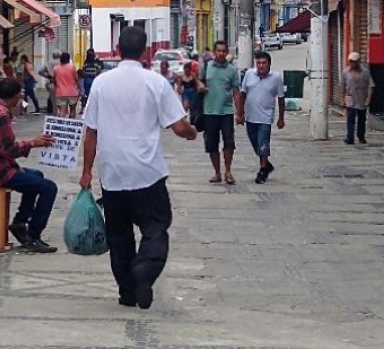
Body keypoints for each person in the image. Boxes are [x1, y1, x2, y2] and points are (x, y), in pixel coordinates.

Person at [79, 26, 198, 310]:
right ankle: (145, 270)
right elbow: (178, 126)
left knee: (119, 237)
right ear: (146, 52)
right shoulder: (155, 83)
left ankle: (127, 293)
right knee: (155, 228)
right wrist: (192, 132)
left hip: (113, 174)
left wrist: (86, 172)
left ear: (118, 49)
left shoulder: (101, 83)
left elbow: (91, 132)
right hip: (147, 173)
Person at [0, 78, 57, 253]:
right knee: (49, 188)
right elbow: (8, 150)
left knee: (37, 176)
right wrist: (33, 143)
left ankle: (19, 222)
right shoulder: (1, 115)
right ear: (15, 96)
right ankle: (33, 236)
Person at [236, 52, 285, 184]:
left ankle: (263, 170)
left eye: (264, 63)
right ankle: (267, 164)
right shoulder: (249, 75)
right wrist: (240, 113)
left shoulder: (276, 78)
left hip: (266, 118)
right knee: (256, 144)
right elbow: (242, 95)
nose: (261, 66)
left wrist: (281, 118)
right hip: (251, 117)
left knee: (263, 143)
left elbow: (281, 98)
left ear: (269, 64)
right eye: (258, 63)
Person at [198, 41, 241, 185]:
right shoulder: (207, 67)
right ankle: (217, 172)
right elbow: (198, 82)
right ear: (214, 52)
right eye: (219, 51)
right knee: (211, 144)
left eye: (224, 51)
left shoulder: (232, 70)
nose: (221, 53)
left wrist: (240, 112)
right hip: (209, 111)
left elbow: (236, 92)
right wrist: (201, 86)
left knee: (229, 143)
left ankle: (228, 171)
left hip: (226, 112)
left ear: (227, 52)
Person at [341, 52, 375, 145]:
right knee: (350, 119)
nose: (352, 63)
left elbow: (370, 86)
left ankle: (361, 137)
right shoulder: (345, 72)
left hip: (361, 99)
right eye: (351, 61)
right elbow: (342, 87)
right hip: (350, 98)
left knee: (361, 119)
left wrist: (368, 98)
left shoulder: (365, 72)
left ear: (358, 61)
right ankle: (350, 137)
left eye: (354, 61)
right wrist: (343, 99)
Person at [53, 52, 80, 118]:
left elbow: (55, 81)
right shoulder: (72, 67)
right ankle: (71, 126)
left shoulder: (55, 68)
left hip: (60, 92)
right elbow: (76, 79)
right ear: (68, 59)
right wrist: (78, 88)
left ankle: (62, 126)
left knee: (62, 111)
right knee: (72, 110)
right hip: (72, 92)